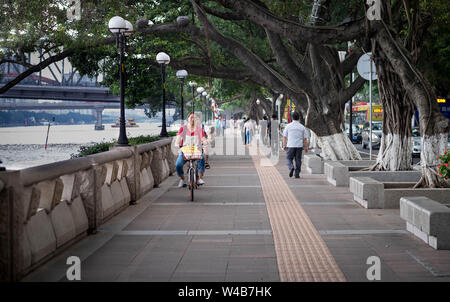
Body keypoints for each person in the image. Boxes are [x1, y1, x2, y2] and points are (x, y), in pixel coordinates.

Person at [175, 112, 207, 187]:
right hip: (185, 151)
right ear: (188, 119)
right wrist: (177, 144)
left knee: (202, 160)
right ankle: (182, 179)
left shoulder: (199, 129)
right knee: (178, 165)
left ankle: (199, 178)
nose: (193, 119)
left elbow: (203, 138)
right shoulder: (183, 128)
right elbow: (178, 139)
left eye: (194, 118)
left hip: (196, 151)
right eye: (191, 118)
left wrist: (205, 142)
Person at [282, 111, 308, 179]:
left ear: (292, 117)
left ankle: (291, 167)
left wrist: (284, 145)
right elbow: (305, 139)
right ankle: (297, 174)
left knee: (288, 158)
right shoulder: (302, 127)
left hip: (290, 145)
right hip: (299, 146)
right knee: (298, 160)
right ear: (299, 118)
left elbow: (285, 137)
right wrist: (306, 147)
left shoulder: (288, 126)